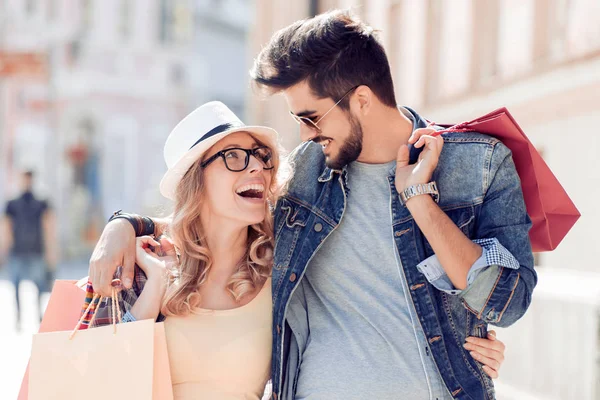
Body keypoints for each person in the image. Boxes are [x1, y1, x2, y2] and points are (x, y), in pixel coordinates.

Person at [88, 11, 526, 400]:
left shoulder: (477, 163)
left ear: (361, 100)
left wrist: (420, 201)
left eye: (309, 117)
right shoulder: (303, 177)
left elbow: (507, 305)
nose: (302, 135)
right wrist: (124, 225)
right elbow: (210, 218)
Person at [86, 102, 281, 399]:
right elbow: (100, 374)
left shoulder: (283, 272)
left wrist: (124, 222)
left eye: (261, 155)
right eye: (233, 156)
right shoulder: (140, 266)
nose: (256, 166)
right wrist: (155, 286)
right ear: (196, 180)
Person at [1, 170, 57, 329]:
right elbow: (6, 226)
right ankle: (18, 317)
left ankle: (39, 315)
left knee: (39, 285)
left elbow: (48, 226)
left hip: (36, 250)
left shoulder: (41, 202)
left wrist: (51, 250)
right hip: (17, 251)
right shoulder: (12, 203)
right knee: (15, 286)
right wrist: (4, 249)